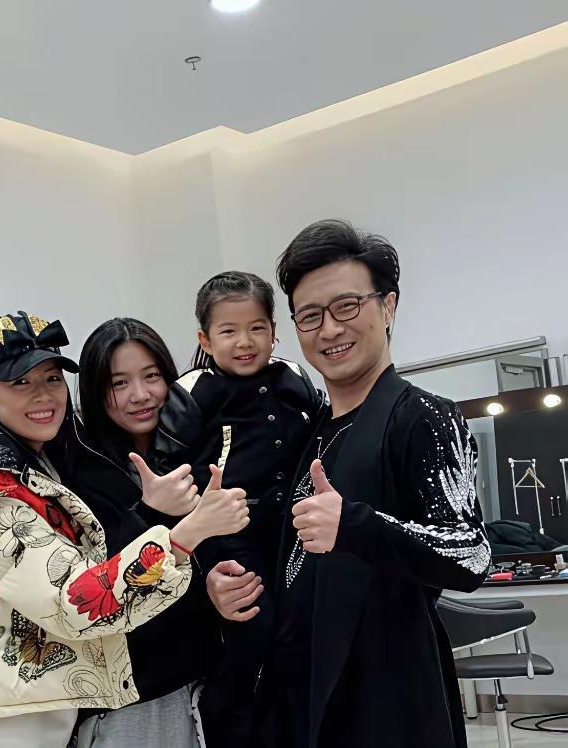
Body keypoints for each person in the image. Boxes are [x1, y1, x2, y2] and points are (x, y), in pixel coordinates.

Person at [205, 221, 491, 748]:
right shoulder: (309, 429)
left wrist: (357, 525)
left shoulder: (424, 417)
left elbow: (470, 555)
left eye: (347, 306)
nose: (330, 329)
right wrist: (225, 586)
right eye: (310, 316)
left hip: (383, 700)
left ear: (388, 307)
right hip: (301, 696)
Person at [0, 311, 249, 748]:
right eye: (20, 382)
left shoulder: (44, 459)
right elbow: (72, 600)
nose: (43, 395)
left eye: (52, 378)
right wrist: (177, 529)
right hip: (23, 720)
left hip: (80, 700)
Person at [154, 272, 323, 747]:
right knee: (254, 624)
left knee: (297, 631)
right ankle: (222, 716)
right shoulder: (192, 390)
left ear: (274, 331)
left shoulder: (293, 376)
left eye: (256, 328)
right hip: (229, 533)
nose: (244, 342)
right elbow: (170, 466)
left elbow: (321, 429)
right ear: (205, 340)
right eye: (228, 331)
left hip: (293, 533)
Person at [71, 317, 220, 747]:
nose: (140, 395)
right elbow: (91, 589)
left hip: (207, 677)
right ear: (96, 390)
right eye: (119, 383)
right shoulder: (78, 472)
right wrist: (151, 512)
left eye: (152, 376)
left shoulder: (195, 450)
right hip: (135, 696)